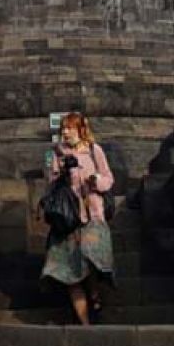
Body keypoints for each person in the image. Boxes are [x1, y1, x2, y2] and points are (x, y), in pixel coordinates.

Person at [41, 112, 115, 325]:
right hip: (66, 219)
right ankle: (85, 324)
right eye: (63, 129)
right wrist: (64, 172)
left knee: (90, 258)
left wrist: (95, 180)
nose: (65, 132)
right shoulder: (56, 153)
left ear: (81, 130)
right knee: (68, 271)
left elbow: (108, 178)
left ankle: (94, 294)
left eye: (69, 128)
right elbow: (51, 181)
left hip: (91, 214)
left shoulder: (94, 150)